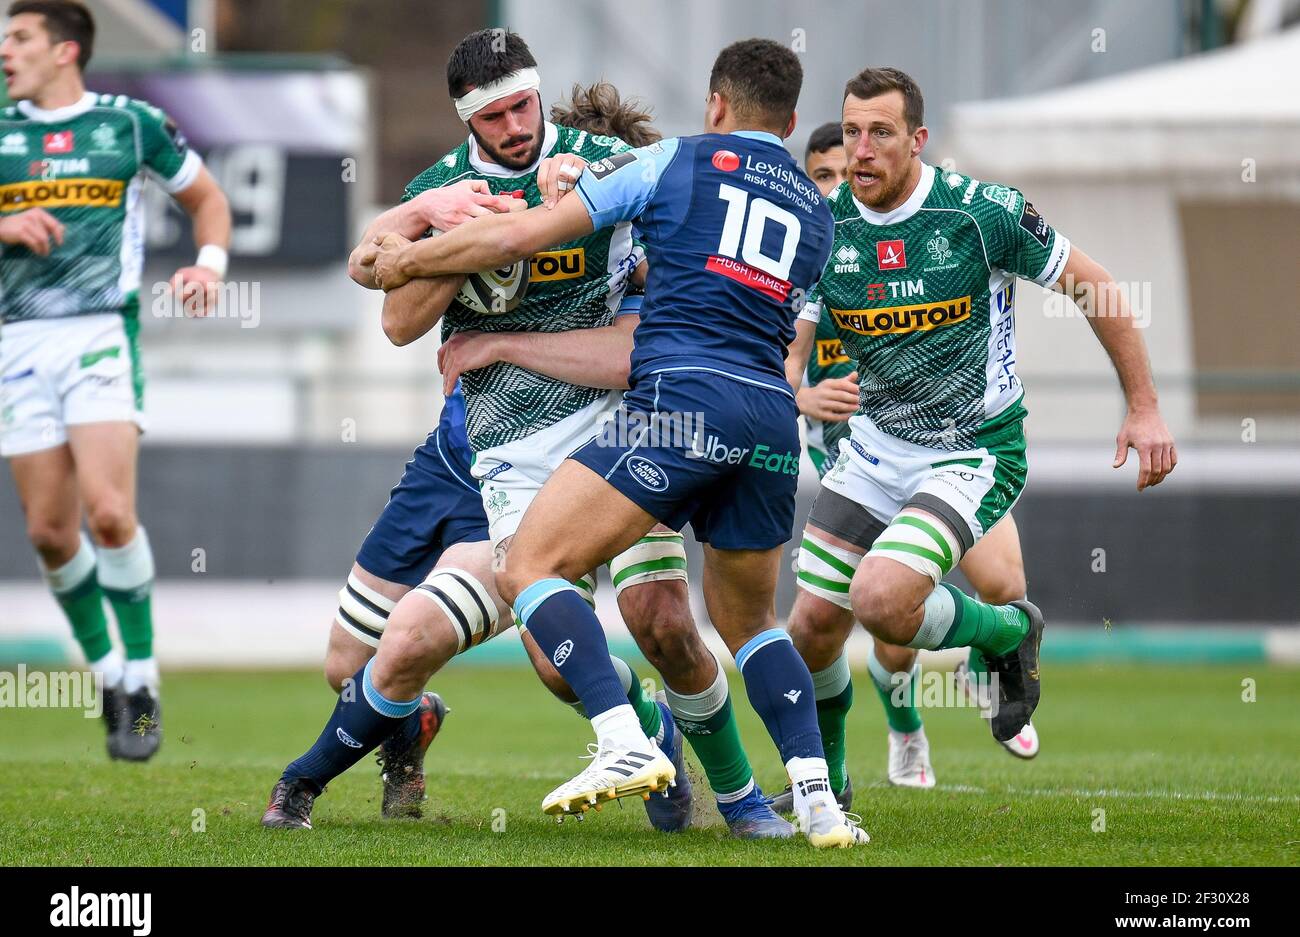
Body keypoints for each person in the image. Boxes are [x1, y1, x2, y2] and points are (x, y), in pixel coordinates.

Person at [264, 39, 787, 840]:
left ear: (540, 94)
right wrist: (450, 226)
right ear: (465, 117)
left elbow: (637, 345)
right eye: (493, 115)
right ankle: (646, 730)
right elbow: (400, 319)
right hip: (509, 444)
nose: (514, 126)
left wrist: (527, 269)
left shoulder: (603, 165)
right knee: (534, 662)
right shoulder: (444, 187)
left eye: (523, 106)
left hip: (627, 427)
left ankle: (745, 802)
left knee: (664, 622)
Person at [375, 38, 869, 849]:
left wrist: (406, 256)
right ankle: (817, 801)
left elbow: (515, 242)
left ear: (715, 105)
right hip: (773, 416)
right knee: (750, 623)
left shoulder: (669, 160)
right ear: (787, 122)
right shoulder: (817, 212)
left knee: (529, 565)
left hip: (682, 405)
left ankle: (618, 739)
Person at [774, 67, 1176, 807]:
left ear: (919, 140)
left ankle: (1001, 633)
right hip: (872, 451)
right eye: (851, 131)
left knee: (883, 601)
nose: (861, 151)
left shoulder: (979, 213)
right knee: (810, 627)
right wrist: (798, 391)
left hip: (972, 450)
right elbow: (791, 353)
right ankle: (827, 787)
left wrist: (1144, 407)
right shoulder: (825, 229)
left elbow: (1097, 287)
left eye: (881, 134)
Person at [0, 0, 231, 760]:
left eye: (20, 36)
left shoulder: (129, 124)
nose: (6, 49)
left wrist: (208, 262)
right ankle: (108, 675)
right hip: (15, 342)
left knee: (107, 514)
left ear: (65, 50)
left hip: (100, 331)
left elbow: (207, 199)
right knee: (49, 532)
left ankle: (143, 677)